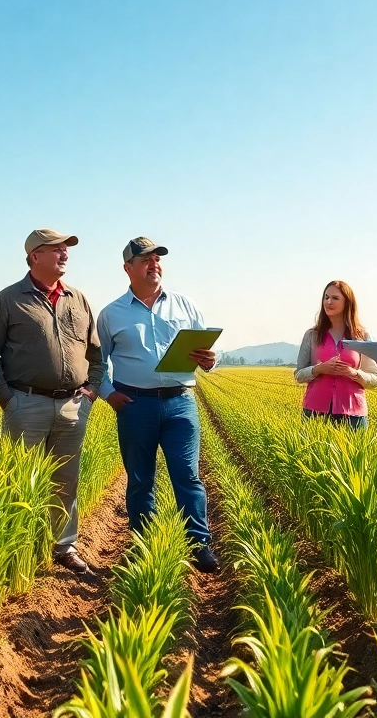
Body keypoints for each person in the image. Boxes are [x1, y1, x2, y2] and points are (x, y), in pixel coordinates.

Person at [0, 229, 104, 575]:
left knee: (66, 481)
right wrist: (7, 399)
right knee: (19, 481)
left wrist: (91, 390)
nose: (65, 255)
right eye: (57, 250)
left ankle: (63, 547)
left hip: (72, 407)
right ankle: (17, 552)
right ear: (34, 256)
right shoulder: (7, 300)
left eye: (66, 250)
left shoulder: (78, 298)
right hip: (25, 404)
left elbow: (95, 353)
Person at [97, 237, 220, 574]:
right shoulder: (111, 314)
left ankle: (199, 544)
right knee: (139, 479)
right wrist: (109, 394)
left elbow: (208, 353)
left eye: (157, 259)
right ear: (128, 268)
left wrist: (210, 361)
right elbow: (97, 364)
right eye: (145, 259)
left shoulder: (185, 305)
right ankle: (144, 543)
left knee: (188, 475)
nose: (154, 264)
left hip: (181, 402)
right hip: (135, 405)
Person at [293, 280, 377, 428]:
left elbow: (375, 380)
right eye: (326, 297)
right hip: (315, 413)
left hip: (353, 415)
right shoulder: (312, 335)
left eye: (335, 298)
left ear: (347, 302)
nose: (328, 302)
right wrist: (319, 369)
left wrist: (353, 373)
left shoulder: (362, 336)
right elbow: (298, 375)